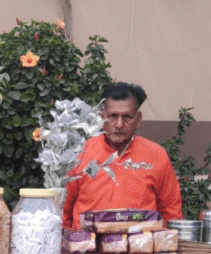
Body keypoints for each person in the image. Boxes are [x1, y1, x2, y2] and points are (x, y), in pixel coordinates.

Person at [62, 82, 183, 229]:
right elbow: (63, 211)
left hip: (140, 249)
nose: (119, 124)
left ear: (138, 120)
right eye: (113, 116)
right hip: (86, 248)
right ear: (101, 118)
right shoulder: (79, 154)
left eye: (127, 117)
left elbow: (171, 212)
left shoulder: (156, 156)